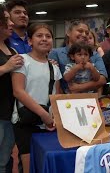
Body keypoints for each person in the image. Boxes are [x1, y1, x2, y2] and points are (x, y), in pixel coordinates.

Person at [11, 23, 62, 173]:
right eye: (39, 36)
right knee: (29, 166)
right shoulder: (22, 60)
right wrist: (43, 114)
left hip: (47, 124)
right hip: (25, 121)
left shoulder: (54, 67)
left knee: (43, 165)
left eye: (48, 36)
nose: (44, 39)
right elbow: (18, 91)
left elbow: (56, 96)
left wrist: (53, 119)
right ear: (30, 41)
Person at [49, 20, 107, 94]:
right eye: (80, 31)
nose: (84, 35)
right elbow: (53, 79)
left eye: (87, 33)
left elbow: (102, 79)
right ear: (68, 33)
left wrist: (78, 88)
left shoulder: (94, 55)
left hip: (89, 98)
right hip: (64, 99)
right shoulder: (56, 53)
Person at [0, 5, 24, 173]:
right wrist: (4, 68)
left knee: (5, 158)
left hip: (9, 114)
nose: (11, 23)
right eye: (6, 19)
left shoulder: (12, 49)